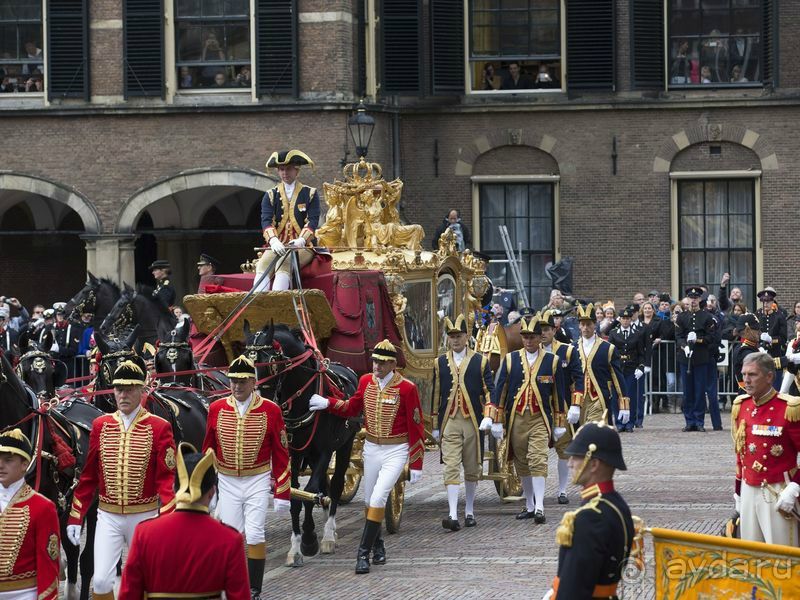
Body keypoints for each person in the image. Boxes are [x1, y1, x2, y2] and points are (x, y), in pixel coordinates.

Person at [308, 340, 425, 574]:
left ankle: (363, 554)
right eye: (375, 361)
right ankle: (378, 546)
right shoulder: (365, 382)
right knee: (369, 501)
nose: (376, 366)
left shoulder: (407, 388)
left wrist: (416, 463)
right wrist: (328, 403)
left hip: (395, 450)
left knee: (380, 496)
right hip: (371, 448)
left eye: (382, 363)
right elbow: (352, 408)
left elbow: (416, 427)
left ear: (393, 364)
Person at [67, 360, 177, 600]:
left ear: (141, 390)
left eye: (129, 389)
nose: (123, 394)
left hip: (145, 515)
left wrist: (169, 520)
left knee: (148, 580)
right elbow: (88, 477)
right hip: (108, 515)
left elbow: (166, 480)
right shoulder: (100, 425)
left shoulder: (159, 427)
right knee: (102, 580)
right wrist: (76, 515)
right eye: (119, 389)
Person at [202, 355, 291, 598]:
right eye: (233, 381)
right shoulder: (216, 408)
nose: (237, 386)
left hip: (257, 479)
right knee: (229, 534)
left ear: (253, 382)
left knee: (254, 532)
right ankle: (229, 584)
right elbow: (208, 449)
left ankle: (254, 589)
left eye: (242, 381)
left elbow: (281, 453)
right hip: (227, 480)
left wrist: (282, 491)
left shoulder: (270, 410)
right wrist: (206, 488)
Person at [118, 443, 251, 600]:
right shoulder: (230, 539)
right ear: (212, 492)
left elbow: (128, 595)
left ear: (174, 489)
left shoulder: (144, 533)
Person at [479, 315, 565, 523]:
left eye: (533, 337)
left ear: (539, 338)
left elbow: (558, 394)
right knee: (521, 463)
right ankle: (529, 505)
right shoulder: (511, 359)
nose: (529, 341)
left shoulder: (552, 361)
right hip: (517, 418)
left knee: (538, 459)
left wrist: (560, 422)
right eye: (525, 337)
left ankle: (540, 507)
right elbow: (501, 390)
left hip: (539, 418)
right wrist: (497, 419)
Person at [541, 421, 634, 600]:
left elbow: (574, 588)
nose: (570, 463)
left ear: (594, 464)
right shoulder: (616, 503)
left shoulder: (591, 516)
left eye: (576, 457)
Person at [430, 314, 493, 530]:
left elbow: (489, 391)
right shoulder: (439, 362)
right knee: (450, 465)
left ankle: (469, 510)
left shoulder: (480, 361)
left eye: (458, 336)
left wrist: (489, 415)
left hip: (472, 420)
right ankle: (452, 513)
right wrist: (436, 425)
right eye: (451, 336)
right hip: (449, 420)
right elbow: (436, 394)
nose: (455, 340)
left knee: (472, 465)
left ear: (467, 336)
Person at [732, 352, 800, 545]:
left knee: (781, 558)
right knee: (751, 557)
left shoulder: (789, 408)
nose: (746, 380)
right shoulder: (741, 406)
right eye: (744, 374)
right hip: (748, 487)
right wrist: (738, 491)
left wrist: (795, 487)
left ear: (769, 377)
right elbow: (740, 453)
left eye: (752, 374)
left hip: (777, 490)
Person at [0, 428, 61, 599]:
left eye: (8, 460)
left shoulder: (42, 507)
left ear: (24, 464)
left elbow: (49, 562)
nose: (0, 465)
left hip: (25, 594)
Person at [254, 149, 320, 292]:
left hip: (303, 247)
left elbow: (313, 221)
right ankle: (258, 305)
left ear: (297, 171)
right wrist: (273, 240)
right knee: (262, 265)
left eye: (288, 169)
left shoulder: (310, 193)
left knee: (284, 264)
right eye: (281, 169)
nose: (285, 173)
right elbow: (266, 221)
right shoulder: (270, 195)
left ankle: (280, 304)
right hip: (278, 244)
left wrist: (302, 240)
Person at [540, 310, 584, 504]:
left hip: (562, 405)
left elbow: (579, 378)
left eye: (547, 329)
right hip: (539, 405)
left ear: (554, 329)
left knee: (564, 448)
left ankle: (562, 489)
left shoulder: (567, 350)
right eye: (539, 330)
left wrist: (576, 404)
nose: (543, 333)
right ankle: (535, 491)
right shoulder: (531, 352)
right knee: (535, 451)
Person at [568, 304, 630, 428]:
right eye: (582, 324)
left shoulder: (607, 348)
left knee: (595, 432)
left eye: (589, 324)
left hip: (599, 398)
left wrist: (624, 403)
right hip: (577, 400)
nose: (585, 328)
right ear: (579, 326)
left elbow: (617, 377)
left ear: (595, 324)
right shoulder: (571, 348)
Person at [675, 287, 718, 432]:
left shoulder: (706, 317)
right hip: (685, 357)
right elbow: (679, 336)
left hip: (700, 357)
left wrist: (698, 340)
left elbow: (710, 337)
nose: (693, 300)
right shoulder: (682, 317)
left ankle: (699, 421)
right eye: (690, 298)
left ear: (700, 299)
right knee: (687, 391)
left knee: (700, 391)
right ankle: (689, 421)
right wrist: (684, 346)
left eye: (695, 298)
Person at [607, 306, 648, 432]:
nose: (625, 321)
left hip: (631, 367)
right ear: (620, 320)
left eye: (628, 319)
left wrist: (641, 366)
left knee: (630, 395)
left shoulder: (637, 334)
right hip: (618, 368)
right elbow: (610, 352)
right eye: (623, 318)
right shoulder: (613, 333)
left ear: (631, 320)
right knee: (617, 395)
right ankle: (619, 422)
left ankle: (629, 422)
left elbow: (641, 353)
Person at [756, 287, 788, 388]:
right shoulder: (757, 315)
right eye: (764, 301)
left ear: (772, 301)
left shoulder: (779, 316)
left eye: (768, 301)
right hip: (760, 354)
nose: (766, 304)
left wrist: (771, 340)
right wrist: (759, 344)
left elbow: (783, 338)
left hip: (774, 355)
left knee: (775, 385)